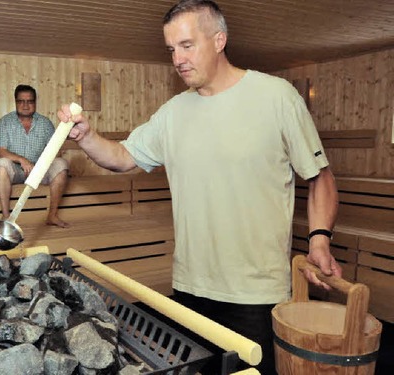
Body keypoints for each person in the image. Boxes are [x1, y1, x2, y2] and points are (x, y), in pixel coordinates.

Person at [58, 1, 340, 374]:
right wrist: (87, 136)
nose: (178, 58)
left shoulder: (277, 97)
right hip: (190, 286)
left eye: (187, 45)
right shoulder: (173, 113)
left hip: (254, 293)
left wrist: (319, 239)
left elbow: (319, 175)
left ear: (219, 39)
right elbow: (122, 156)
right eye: (171, 49)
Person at [0, 84, 70, 228]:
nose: (25, 105)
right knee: (3, 163)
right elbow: (1, 151)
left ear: (34, 103)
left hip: (40, 171)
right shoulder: (5, 122)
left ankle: (52, 215)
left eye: (29, 101)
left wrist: (41, 166)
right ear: (15, 102)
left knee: (61, 163)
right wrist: (22, 160)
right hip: (16, 171)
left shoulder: (45, 123)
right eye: (21, 101)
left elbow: (56, 152)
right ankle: (6, 217)